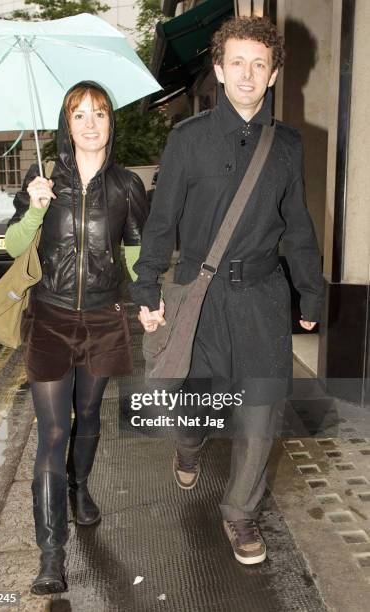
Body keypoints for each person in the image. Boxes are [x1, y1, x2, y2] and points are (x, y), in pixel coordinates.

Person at [130, 17, 323, 566]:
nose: (247, 73)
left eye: (259, 64)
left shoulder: (287, 144)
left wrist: (310, 295)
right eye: (237, 62)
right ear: (218, 70)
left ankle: (240, 513)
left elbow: (300, 225)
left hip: (262, 295)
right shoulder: (187, 140)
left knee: (261, 413)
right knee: (190, 404)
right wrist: (147, 288)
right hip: (197, 294)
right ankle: (189, 445)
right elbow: (161, 223)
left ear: (273, 73)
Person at [5, 81, 148, 594]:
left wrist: (148, 302)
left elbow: (135, 249)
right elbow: (12, 245)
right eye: (80, 115)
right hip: (50, 318)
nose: (90, 124)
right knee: (52, 433)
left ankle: (80, 487)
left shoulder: (128, 184)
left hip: (104, 318)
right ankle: (51, 555)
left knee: (88, 415)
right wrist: (36, 207)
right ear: (67, 125)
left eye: (100, 114)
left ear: (112, 122)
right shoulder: (42, 178)